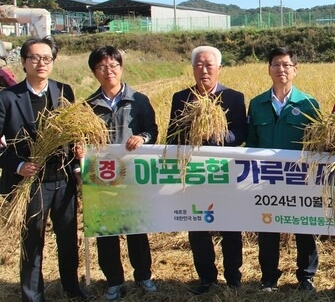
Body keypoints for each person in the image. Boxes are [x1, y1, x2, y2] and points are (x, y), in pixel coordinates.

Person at [0, 37, 89, 302]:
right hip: (29, 183)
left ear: (53, 62)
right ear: (24, 62)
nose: (41, 63)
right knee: (32, 241)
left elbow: (72, 134)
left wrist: (77, 159)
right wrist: (18, 166)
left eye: (47, 58)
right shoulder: (7, 98)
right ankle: (32, 294)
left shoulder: (64, 91)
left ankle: (71, 285)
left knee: (68, 236)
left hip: (62, 179)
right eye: (35, 58)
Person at [166, 46, 247, 294]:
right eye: (199, 65)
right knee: (198, 227)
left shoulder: (233, 97)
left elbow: (241, 134)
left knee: (230, 226)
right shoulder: (181, 98)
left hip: (224, 173)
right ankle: (206, 278)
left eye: (209, 65)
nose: (204, 70)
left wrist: (216, 134)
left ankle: (233, 276)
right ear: (192, 69)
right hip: (194, 175)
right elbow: (172, 135)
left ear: (219, 68)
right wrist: (191, 134)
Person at [85, 46, 159, 301]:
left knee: (137, 228)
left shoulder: (138, 100)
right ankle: (114, 281)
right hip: (102, 177)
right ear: (95, 72)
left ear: (121, 67)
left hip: (132, 177)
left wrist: (143, 137)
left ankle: (143, 276)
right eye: (102, 67)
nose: (109, 71)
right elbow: (81, 140)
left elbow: (152, 130)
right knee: (107, 231)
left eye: (113, 66)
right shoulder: (89, 106)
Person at [246, 47, 320, 292]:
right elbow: (252, 141)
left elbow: (317, 143)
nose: (281, 70)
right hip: (267, 178)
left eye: (287, 65)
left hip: (300, 178)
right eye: (276, 64)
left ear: (295, 70)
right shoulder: (257, 104)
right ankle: (269, 277)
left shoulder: (309, 104)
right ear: (269, 69)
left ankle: (306, 277)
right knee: (268, 226)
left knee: (304, 225)